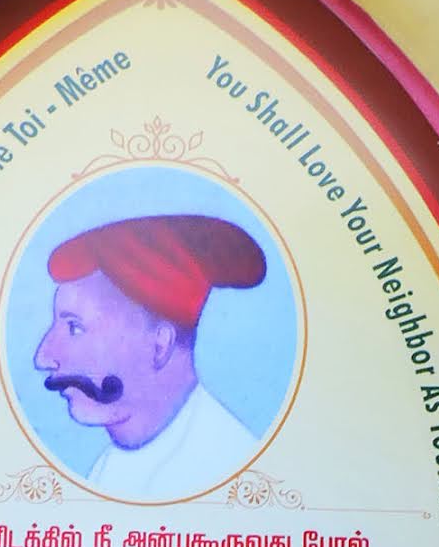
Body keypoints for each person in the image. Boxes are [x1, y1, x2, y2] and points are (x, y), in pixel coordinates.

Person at [33, 213, 267, 498]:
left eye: (75, 327)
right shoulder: (109, 468)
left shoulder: (227, 463)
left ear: (160, 345)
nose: (43, 357)